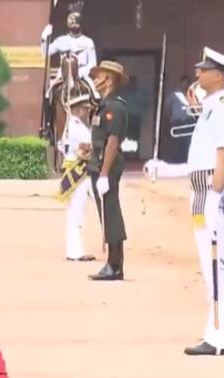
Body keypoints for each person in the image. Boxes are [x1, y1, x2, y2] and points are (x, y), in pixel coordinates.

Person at [183, 47, 224, 356]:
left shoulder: (222, 106)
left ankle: (221, 338)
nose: (198, 73)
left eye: (203, 70)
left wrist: (217, 196)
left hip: (214, 192)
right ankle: (219, 333)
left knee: (217, 268)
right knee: (210, 269)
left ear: (218, 76)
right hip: (202, 191)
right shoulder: (211, 106)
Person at [86, 60, 129, 281]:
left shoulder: (114, 106)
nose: (94, 80)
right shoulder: (103, 105)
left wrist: (104, 173)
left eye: (98, 76)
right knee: (106, 214)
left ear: (109, 79)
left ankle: (115, 265)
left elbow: (113, 141)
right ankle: (112, 263)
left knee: (110, 213)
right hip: (98, 163)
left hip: (107, 166)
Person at [56, 95, 96, 262]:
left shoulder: (71, 125)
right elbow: (83, 149)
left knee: (77, 211)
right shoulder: (74, 127)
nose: (87, 112)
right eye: (86, 109)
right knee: (76, 212)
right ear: (78, 109)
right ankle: (75, 252)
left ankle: (75, 250)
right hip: (77, 170)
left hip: (77, 168)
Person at [40, 1, 99, 101]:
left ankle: (95, 114)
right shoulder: (61, 41)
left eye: (76, 20)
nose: (74, 23)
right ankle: (50, 115)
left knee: (95, 94)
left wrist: (79, 73)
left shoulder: (88, 42)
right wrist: (44, 39)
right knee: (48, 94)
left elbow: (93, 64)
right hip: (63, 74)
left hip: (82, 74)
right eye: (71, 20)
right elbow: (45, 53)